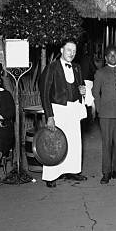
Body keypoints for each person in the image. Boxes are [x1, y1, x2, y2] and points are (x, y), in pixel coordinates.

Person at [39, 39, 89, 188]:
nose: (72, 54)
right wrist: (50, 116)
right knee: (55, 142)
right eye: (69, 50)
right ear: (61, 50)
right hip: (58, 109)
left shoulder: (77, 68)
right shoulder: (51, 68)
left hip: (73, 109)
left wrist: (83, 91)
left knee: (74, 141)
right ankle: (51, 175)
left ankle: (72, 170)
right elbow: (45, 93)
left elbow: (80, 86)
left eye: (74, 51)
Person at [92, 46, 116, 184]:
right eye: (110, 55)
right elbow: (95, 92)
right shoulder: (100, 73)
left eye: (115, 55)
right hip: (105, 114)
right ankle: (106, 172)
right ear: (106, 58)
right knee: (107, 143)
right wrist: (100, 109)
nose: (112, 57)